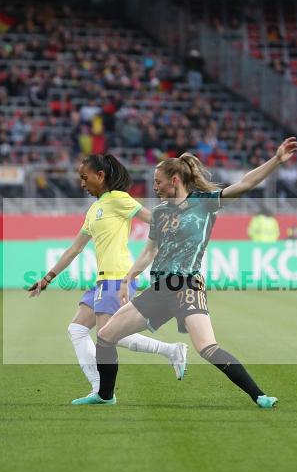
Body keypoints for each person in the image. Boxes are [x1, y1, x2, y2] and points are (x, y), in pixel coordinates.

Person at [76, 137, 297, 407]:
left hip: (187, 287)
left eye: (158, 181)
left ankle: (260, 395)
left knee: (207, 347)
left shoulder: (205, 203)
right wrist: (129, 277)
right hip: (159, 289)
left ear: (174, 180)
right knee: (106, 336)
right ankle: (105, 396)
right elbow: (149, 251)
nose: (154, 186)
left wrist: (276, 160)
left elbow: (245, 184)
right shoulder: (159, 213)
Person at [27, 154, 187, 398]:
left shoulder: (118, 199)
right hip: (103, 280)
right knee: (77, 329)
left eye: (85, 177)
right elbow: (74, 249)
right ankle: (99, 389)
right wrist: (47, 279)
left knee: (107, 335)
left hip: (117, 278)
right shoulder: (95, 209)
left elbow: (154, 219)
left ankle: (169, 352)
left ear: (100, 176)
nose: (82, 183)